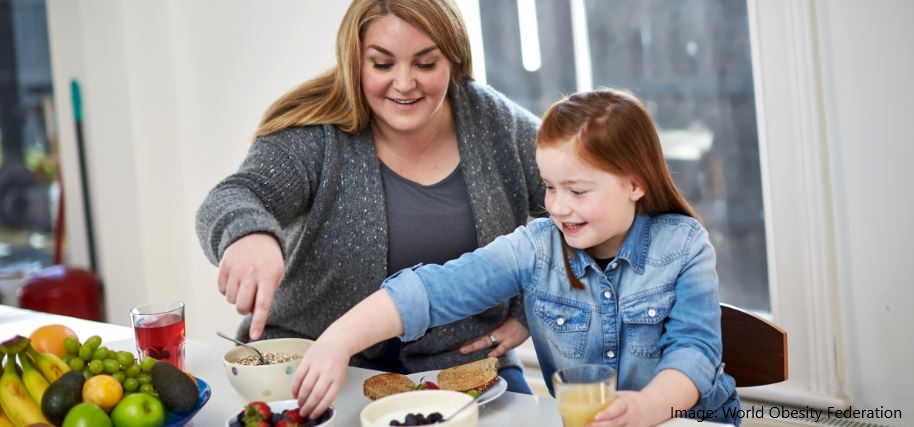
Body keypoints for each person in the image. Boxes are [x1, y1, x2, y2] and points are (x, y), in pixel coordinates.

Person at [289, 88, 741, 426]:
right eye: (549, 186)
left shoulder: (684, 246)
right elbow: (435, 289)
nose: (558, 206)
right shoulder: (536, 246)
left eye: (578, 191)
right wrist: (340, 339)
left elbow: (694, 352)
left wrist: (645, 407)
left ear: (634, 184)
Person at [195, 0, 544, 394]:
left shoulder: (498, 126)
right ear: (355, 61)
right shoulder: (316, 135)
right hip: (315, 362)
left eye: (426, 64)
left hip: (464, 366)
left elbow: (589, 213)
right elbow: (235, 195)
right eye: (382, 64)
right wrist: (247, 234)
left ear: (454, 59)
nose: (405, 82)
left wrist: (532, 311)